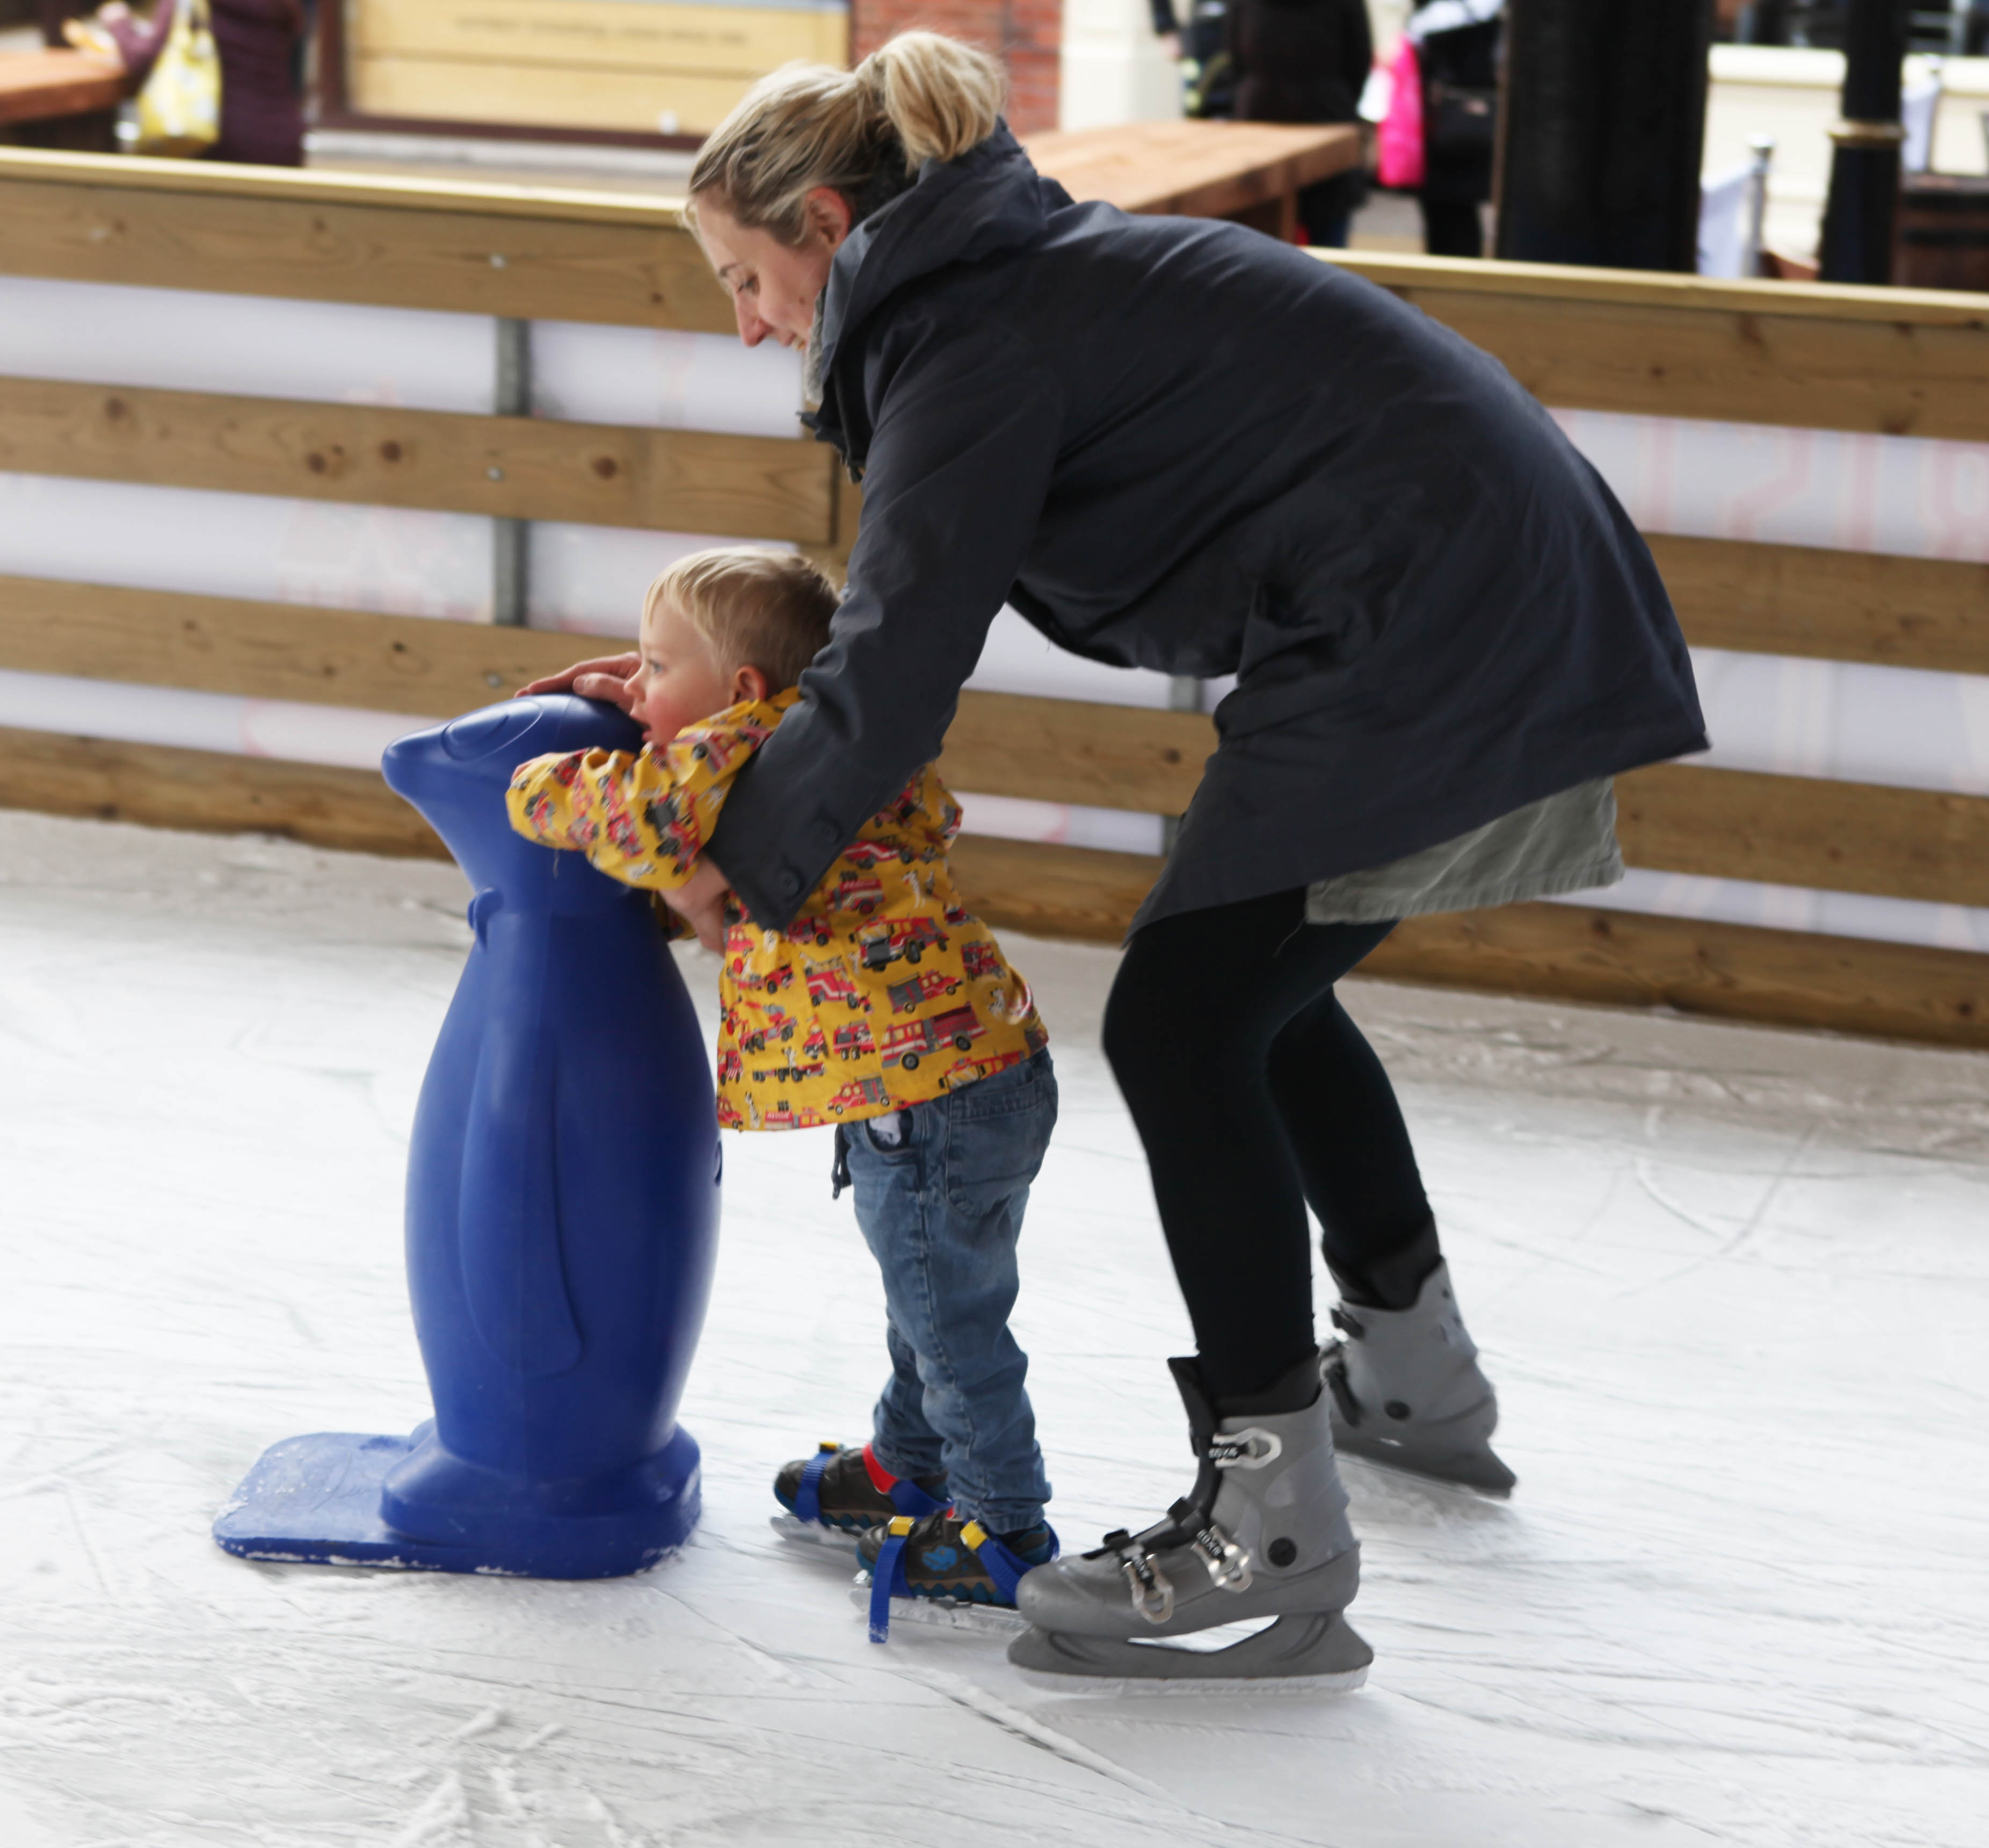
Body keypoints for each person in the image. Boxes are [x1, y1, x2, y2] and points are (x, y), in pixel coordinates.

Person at [527, 30, 1704, 1686]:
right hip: (1454, 588)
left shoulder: (966, 332)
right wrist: (704, 720)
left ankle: (1267, 1529)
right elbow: (886, 636)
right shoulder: (1007, 283)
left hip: (1432, 612)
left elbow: (896, 652)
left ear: (828, 218)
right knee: (1254, 995)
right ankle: (1412, 1380)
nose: (746, 322)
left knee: (1180, 1018)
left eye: (745, 275)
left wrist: (732, 857)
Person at [506, 546, 1060, 1625]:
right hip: (965, 1074)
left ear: (745, 691)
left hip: (926, 1096)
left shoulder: (743, 741)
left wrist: (531, 772)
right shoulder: (818, 746)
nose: (634, 684)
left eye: (656, 665)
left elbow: (637, 817)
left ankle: (1003, 1529)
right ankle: (908, 1466)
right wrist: (659, 699)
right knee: (933, 1304)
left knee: (951, 1326)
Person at [70, 0, 304, 167]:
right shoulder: (282, 6)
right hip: (282, 138)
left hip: (217, 138)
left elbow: (141, 61)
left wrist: (118, 21)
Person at [1226, 0, 1373, 245]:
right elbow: (1359, 59)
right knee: (1328, 250)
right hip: (1328, 118)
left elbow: (1235, 60)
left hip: (1259, 117)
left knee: (1259, 244)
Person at [1407, 0, 1502, 258]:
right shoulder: (1488, 13)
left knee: (1450, 218)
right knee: (1457, 215)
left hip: (1444, 124)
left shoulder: (1436, 18)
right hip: (1468, 122)